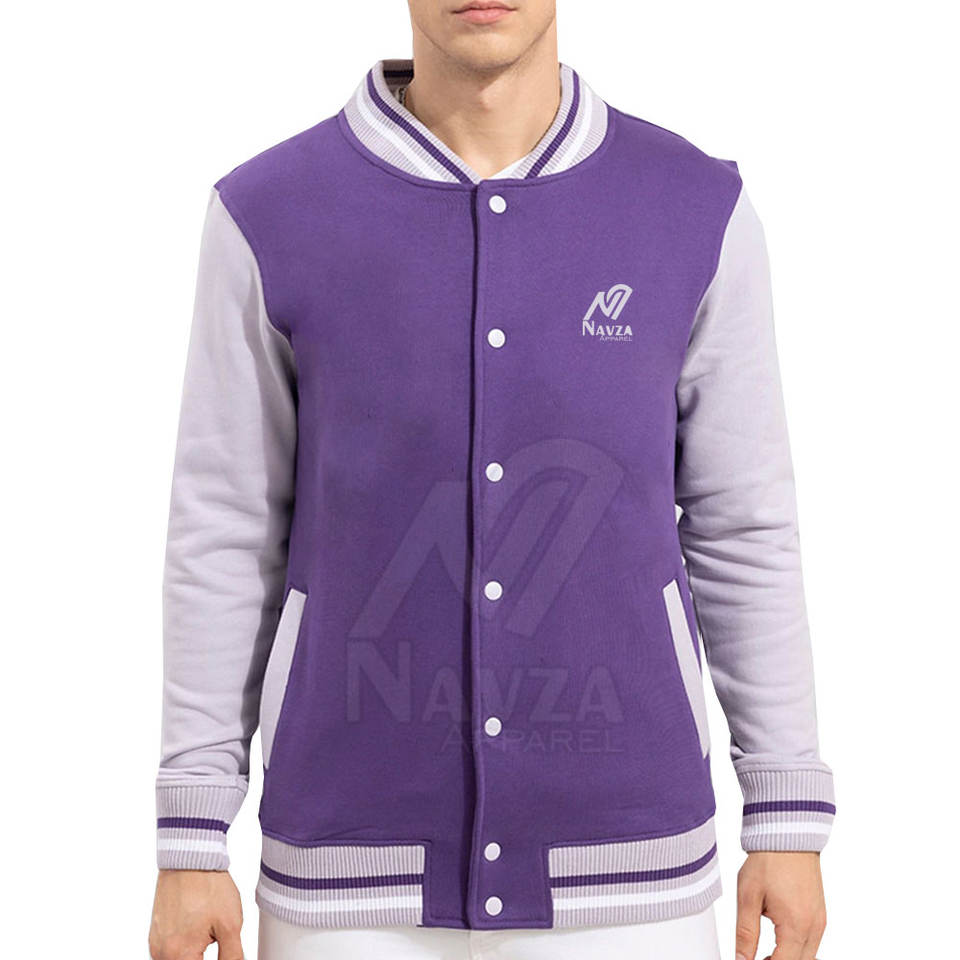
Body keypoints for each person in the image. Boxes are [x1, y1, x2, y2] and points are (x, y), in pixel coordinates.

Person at [148, 2, 835, 958]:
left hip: (632, 875)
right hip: (347, 879)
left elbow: (744, 522)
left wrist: (786, 814)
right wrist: (191, 834)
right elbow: (224, 529)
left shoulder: (692, 208)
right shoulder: (270, 212)